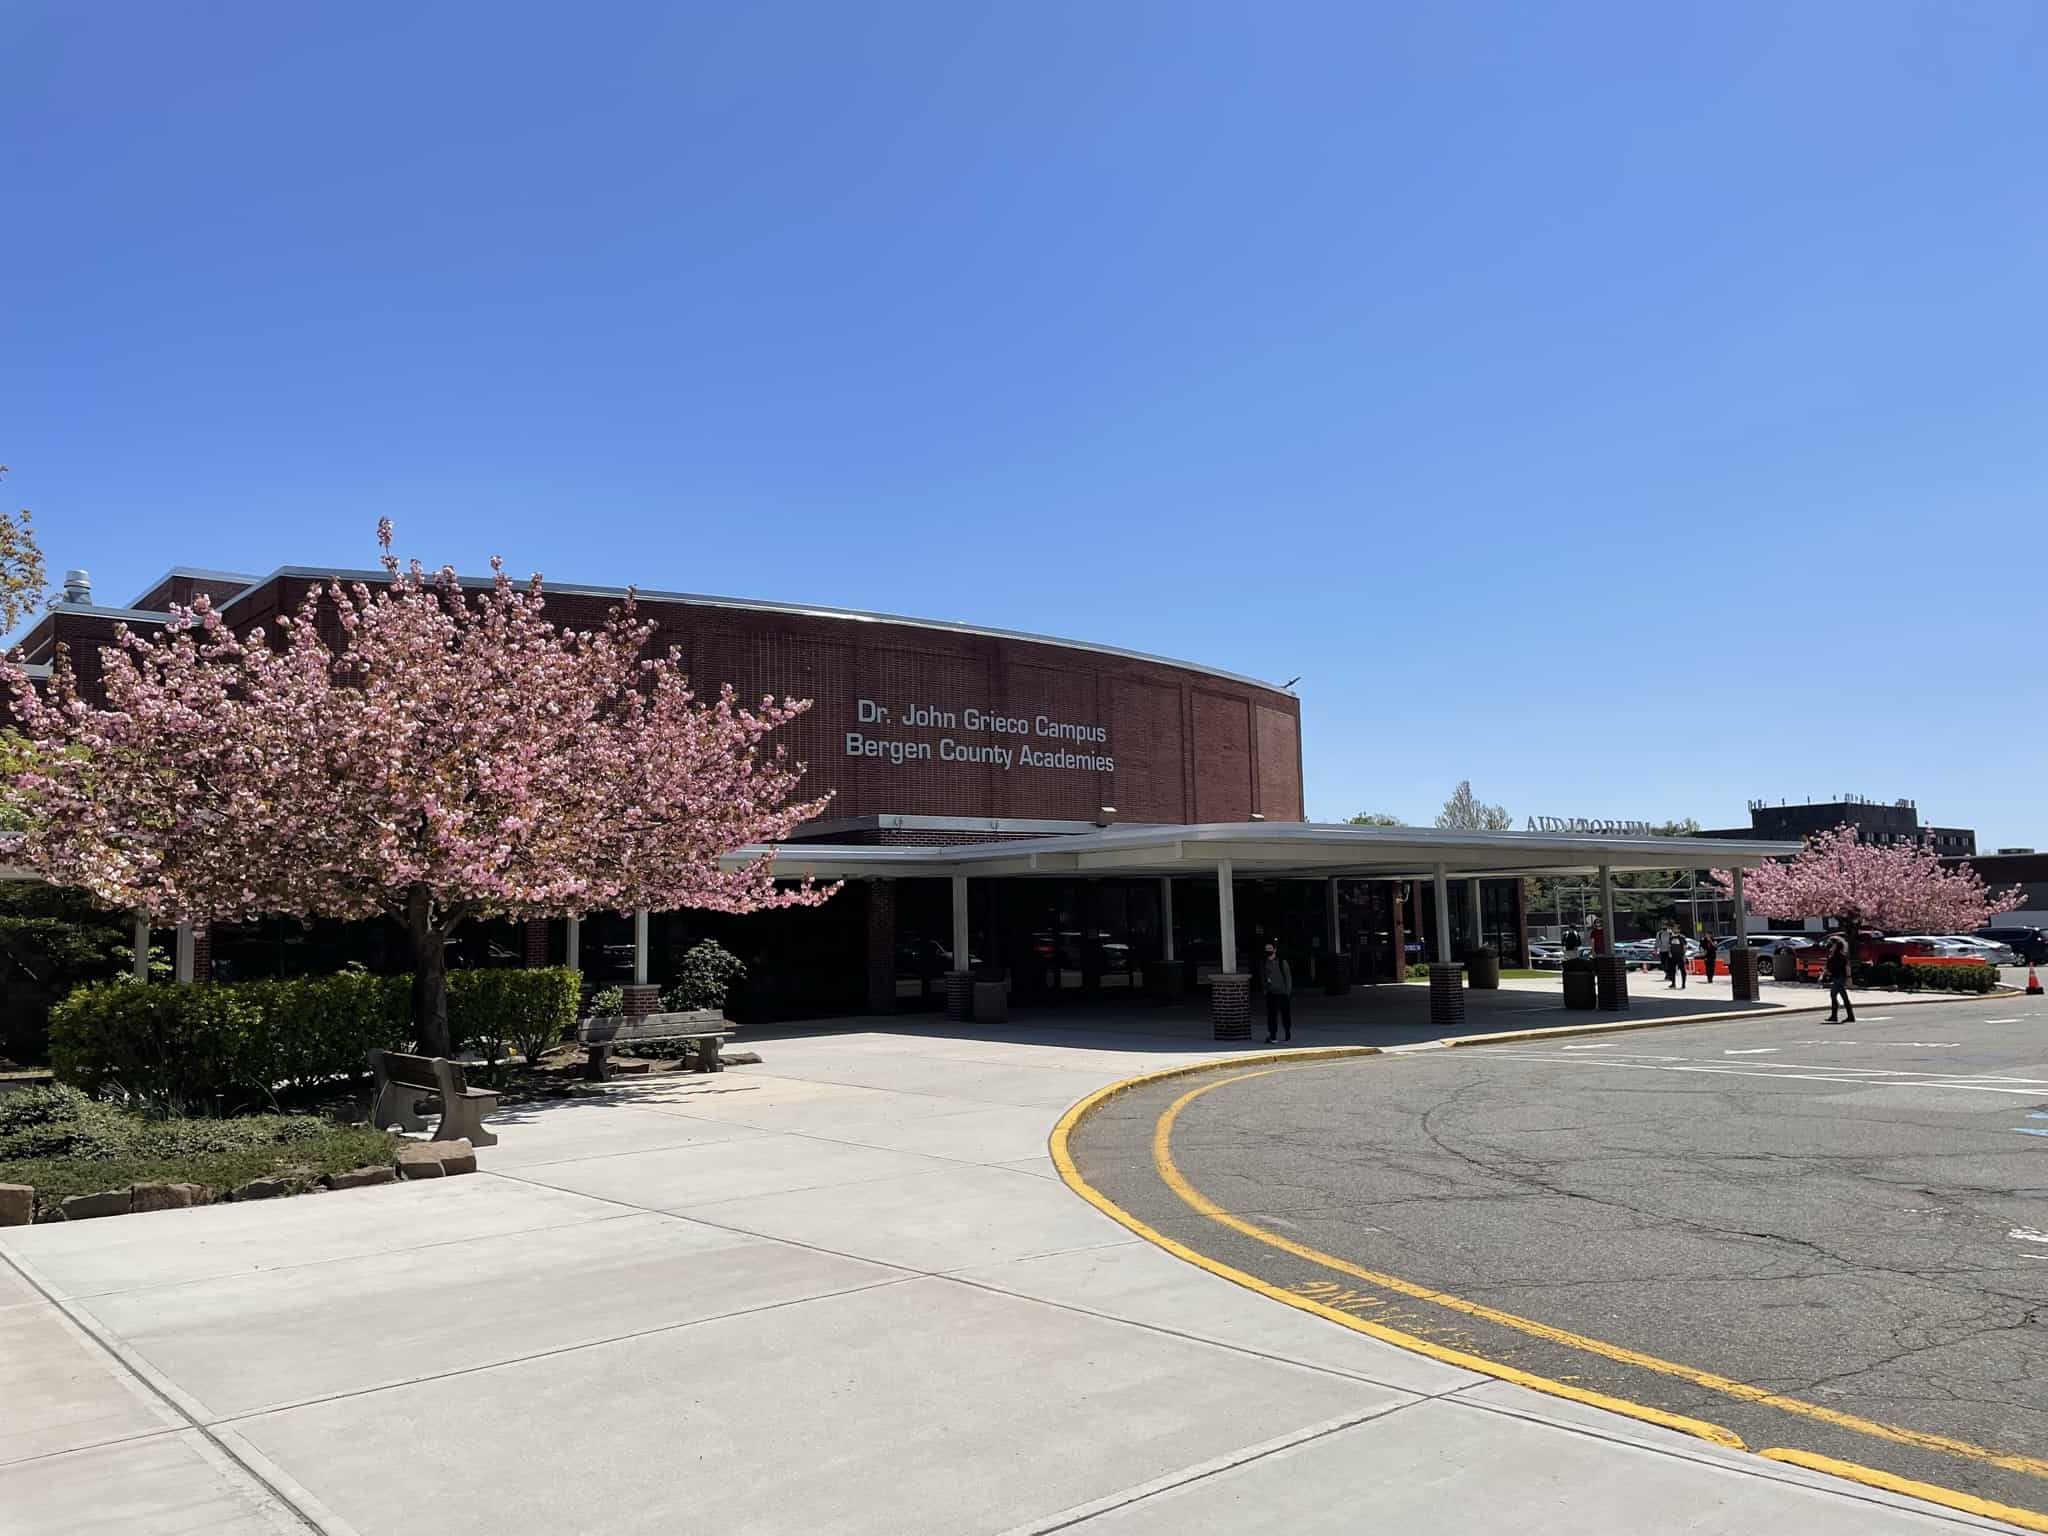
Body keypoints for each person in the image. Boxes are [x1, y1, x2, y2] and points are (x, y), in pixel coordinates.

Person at [1262, 942, 1294, 1043]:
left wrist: (1287, 992)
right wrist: (1265, 991)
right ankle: (1273, 1035)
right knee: (1272, 1016)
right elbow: (1263, 978)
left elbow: (1288, 978)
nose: (1268, 951)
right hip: (1271, 993)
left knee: (1285, 1015)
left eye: (1270, 948)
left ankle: (1287, 1032)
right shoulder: (1264, 963)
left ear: (1275, 950)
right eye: (1266, 949)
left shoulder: (1282, 962)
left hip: (1282, 993)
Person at [1823, 932, 1855, 1023]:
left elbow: (1847, 967)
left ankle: (1836, 1016)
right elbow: (1829, 967)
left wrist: (1849, 978)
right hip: (1836, 977)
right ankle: (1848, 1016)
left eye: (1831, 944)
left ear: (1836, 945)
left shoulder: (1841, 955)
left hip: (1840, 977)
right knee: (1842, 996)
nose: (1829, 945)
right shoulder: (1832, 955)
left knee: (1834, 995)